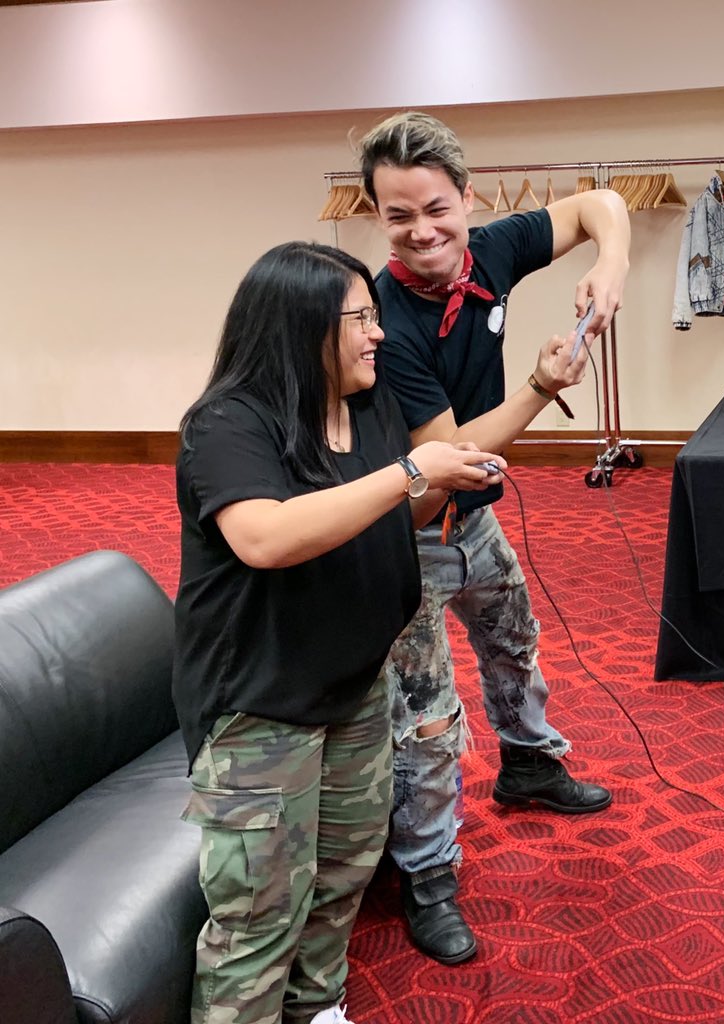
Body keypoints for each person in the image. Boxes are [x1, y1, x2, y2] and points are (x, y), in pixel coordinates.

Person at [172, 240, 505, 1024]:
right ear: (301, 327)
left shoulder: (367, 405)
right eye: (360, 317)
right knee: (258, 916)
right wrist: (414, 471)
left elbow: (405, 506)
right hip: (262, 705)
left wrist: (523, 397)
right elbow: (268, 537)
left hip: (355, 683)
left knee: (344, 873)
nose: (378, 333)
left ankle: (317, 1008)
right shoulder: (227, 424)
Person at [356, 111, 631, 966]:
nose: (421, 233)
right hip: (411, 534)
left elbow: (602, 204)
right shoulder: (387, 319)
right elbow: (450, 454)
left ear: (468, 199)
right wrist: (544, 387)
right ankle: (427, 874)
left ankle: (530, 764)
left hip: (474, 518)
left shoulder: (493, 251)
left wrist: (610, 268)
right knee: (428, 720)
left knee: (515, 643)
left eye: (437, 208)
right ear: (375, 216)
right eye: (398, 216)